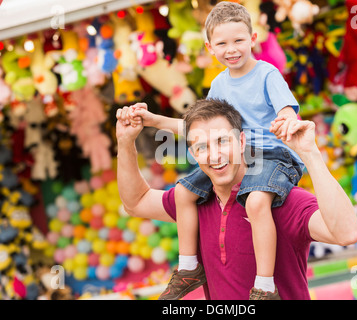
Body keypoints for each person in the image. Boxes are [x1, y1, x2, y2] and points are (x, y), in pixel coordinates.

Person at [128, 1, 304, 300]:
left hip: (273, 156)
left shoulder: (266, 74)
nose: (231, 49)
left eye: (238, 40)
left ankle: (264, 286)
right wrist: (154, 120)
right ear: (209, 47)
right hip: (237, 156)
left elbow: (286, 108)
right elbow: (200, 128)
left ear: (253, 39)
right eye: (222, 43)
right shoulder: (219, 84)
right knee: (184, 191)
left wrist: (287, 118)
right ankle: (188, 268)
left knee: (257, 202)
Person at [116, 98, 357, 300]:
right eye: (202, 147)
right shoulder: (195, 202)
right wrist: (126, 143)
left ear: (241, 141)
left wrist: (311, 154)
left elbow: (347, 233)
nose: (215, 155)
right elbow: (136, 202)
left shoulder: (279, 199)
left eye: (222, 141)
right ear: (193, 153)